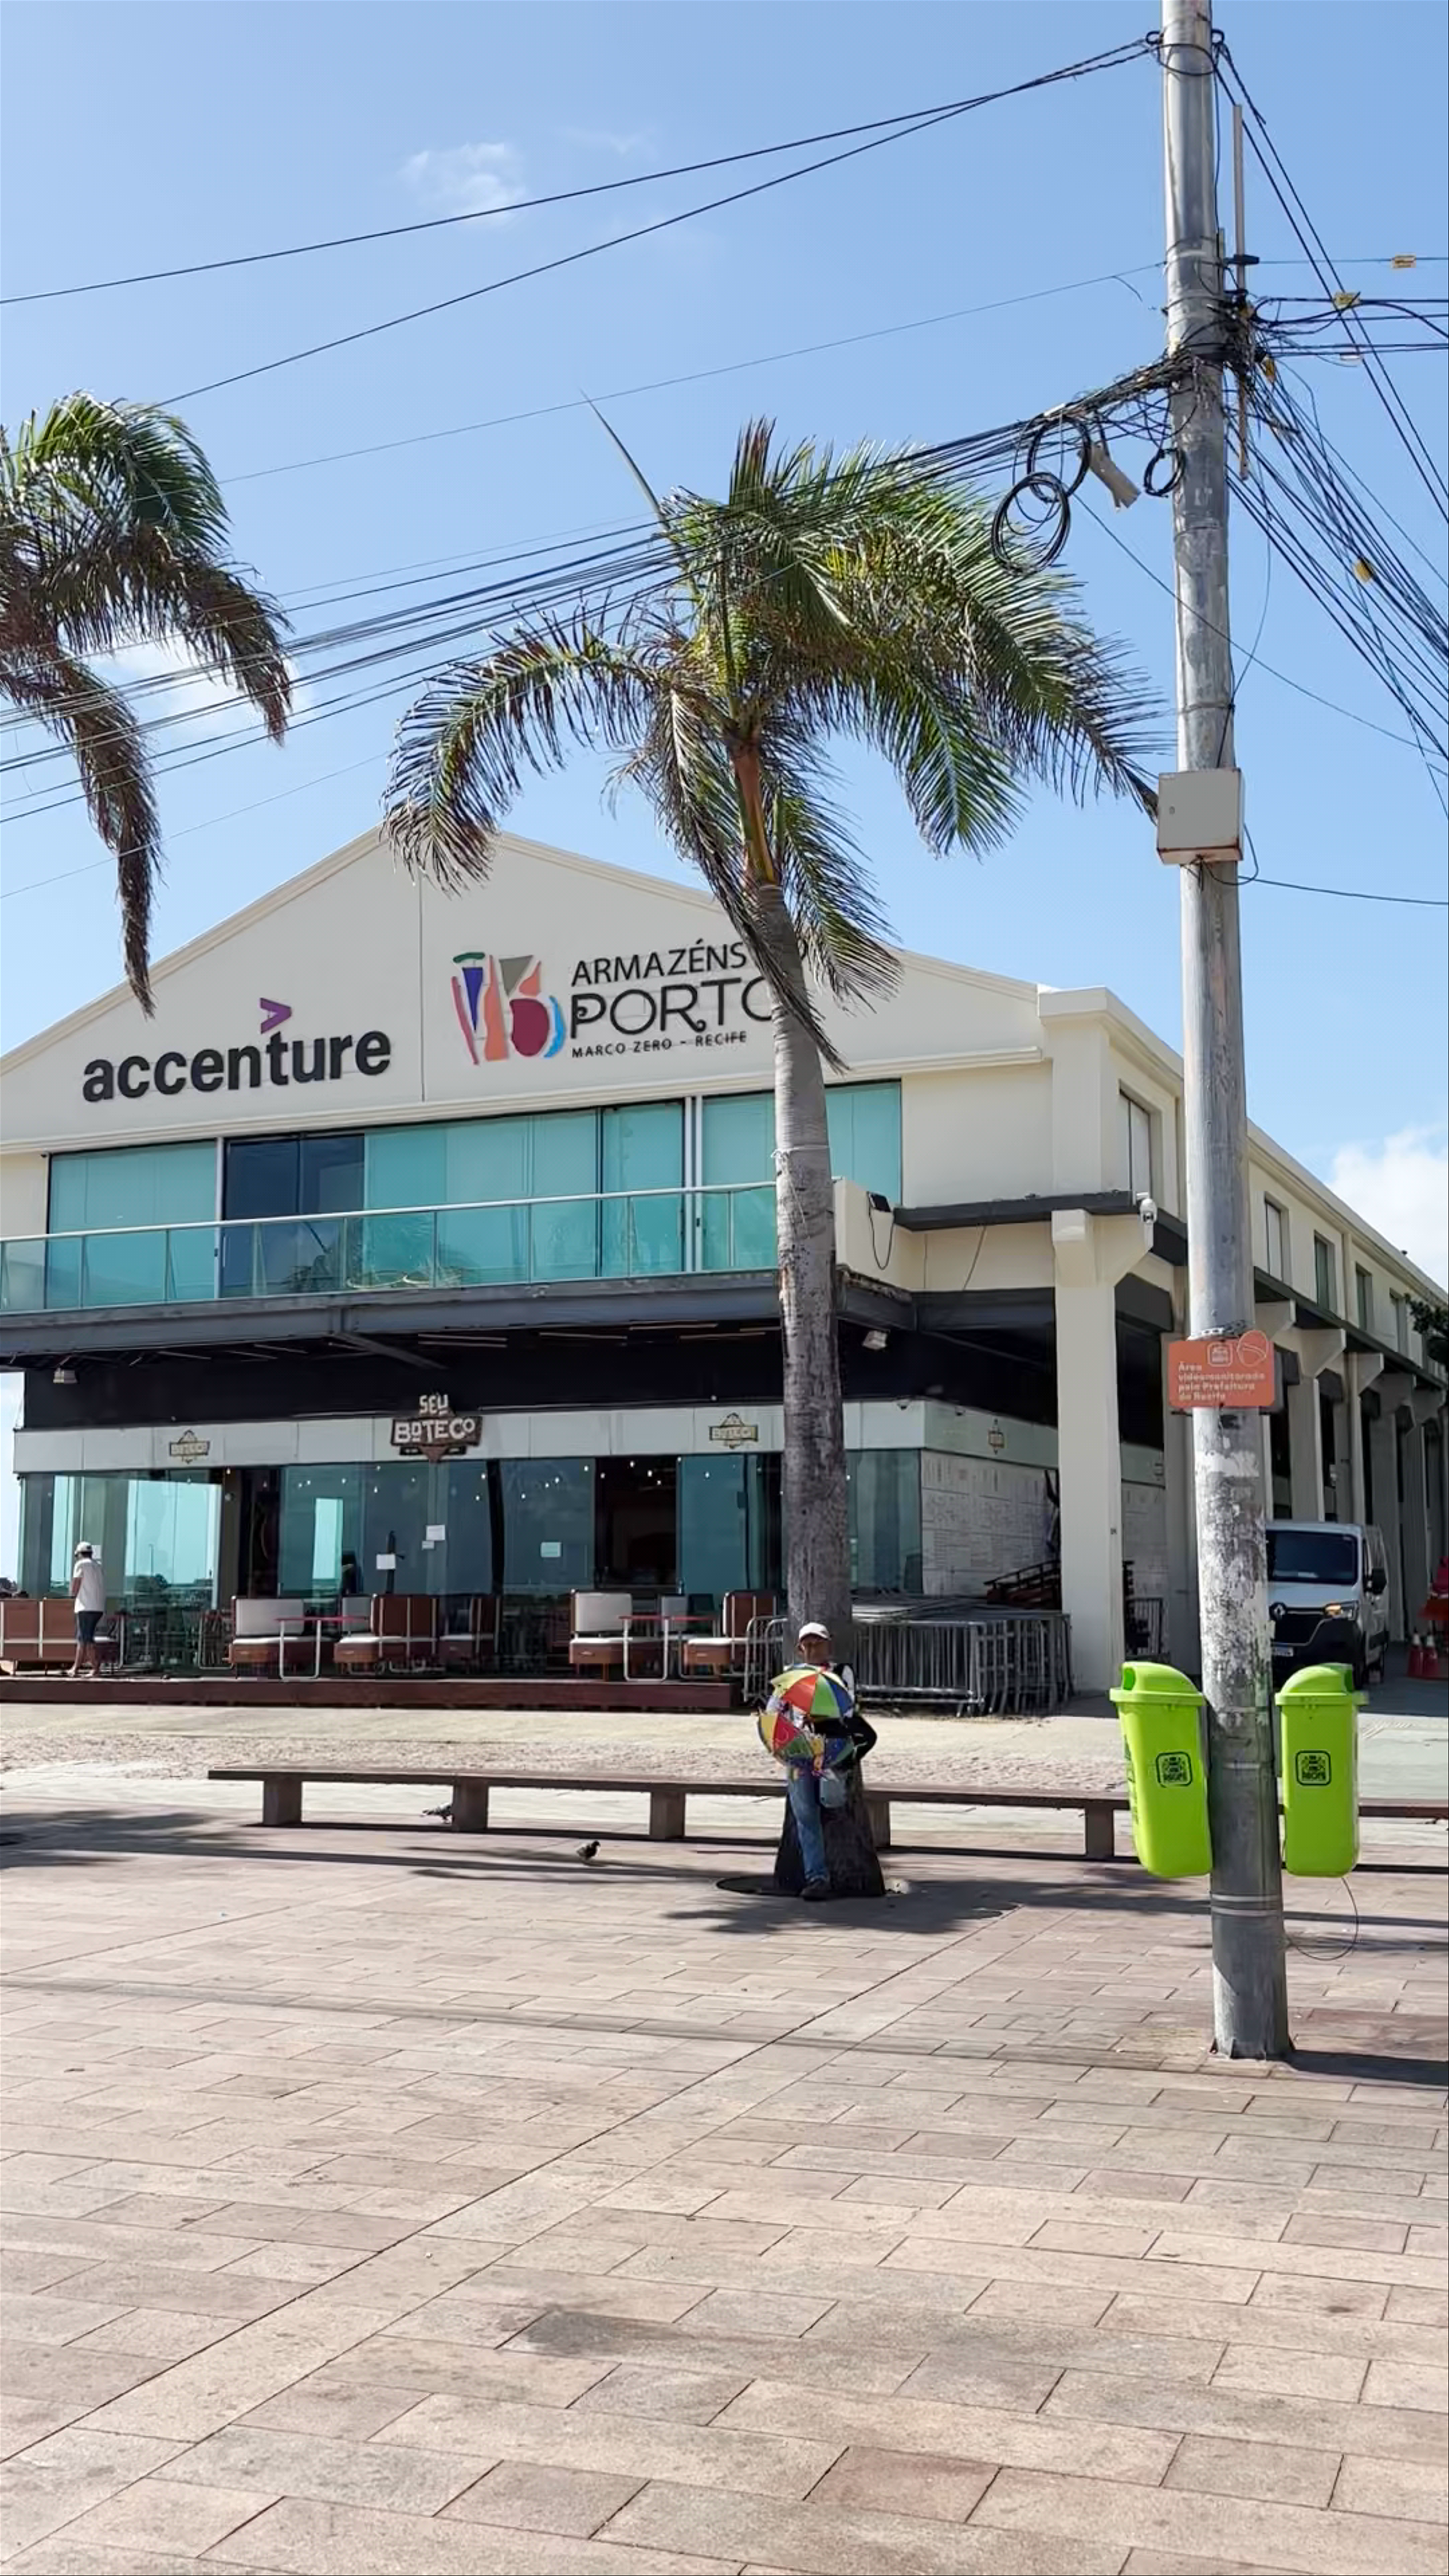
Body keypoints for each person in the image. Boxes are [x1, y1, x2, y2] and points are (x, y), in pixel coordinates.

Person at [786, 1620, 877, 1901]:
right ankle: (817, 1877)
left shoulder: (840, 1672)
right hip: (799, 1752)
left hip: (831, 1748)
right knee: (805, 1815)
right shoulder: (791, 1675)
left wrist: (823, 1710)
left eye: (818, 1643)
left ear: (828, 1644)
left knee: (832, 1801)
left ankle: (843, 1866)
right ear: (800, 1649)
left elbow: (848, 1705)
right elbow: (776, 1707)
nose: (813, 1649)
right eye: (808, 1644)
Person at [69, 1542, 106, 1678]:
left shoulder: (81, 1565)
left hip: (86, 1607)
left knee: (86, 1639)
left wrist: (72, 1595)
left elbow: (77, 1583)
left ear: (79, 1554)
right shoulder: (98, 1566)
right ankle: (75, 1668)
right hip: (98, 1608)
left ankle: (95, 1669)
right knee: (83, 1639)